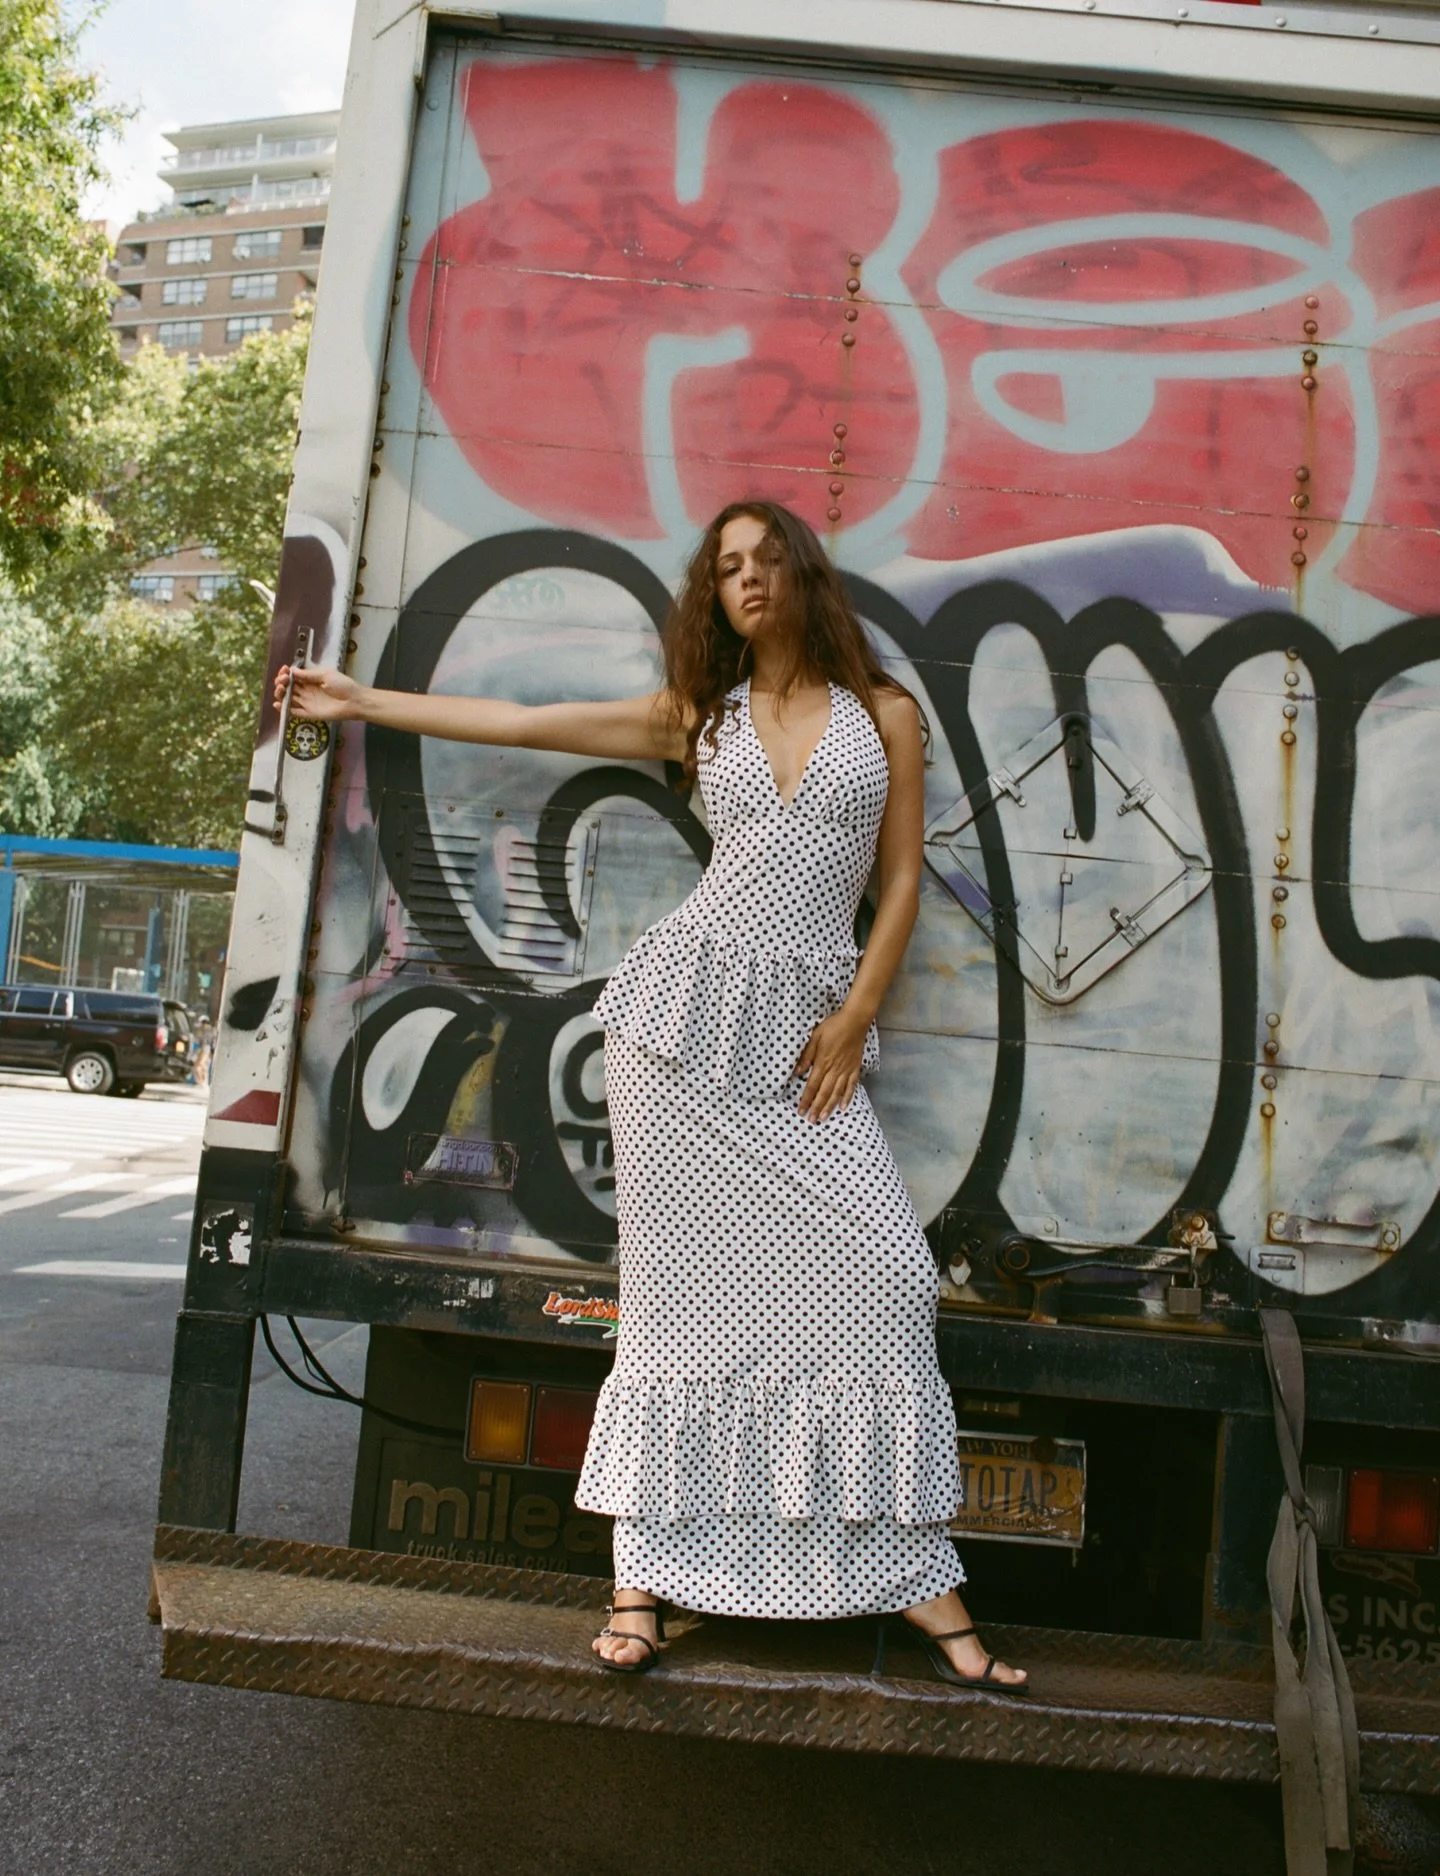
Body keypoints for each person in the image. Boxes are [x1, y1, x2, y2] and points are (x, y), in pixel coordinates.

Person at [278, 500, 1028, 1695]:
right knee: (676, 1314)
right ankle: (641, 1583)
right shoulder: (700, 716)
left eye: (766, 557)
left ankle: (910, 1573)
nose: (749, 578)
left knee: (886, 1278)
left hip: (804, 1040)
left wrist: (855, 1016)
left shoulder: (885, 713)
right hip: (677, 1033)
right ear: (714, 594)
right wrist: (364, 701)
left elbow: (898, 884)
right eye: (727, 566)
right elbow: (527, 723)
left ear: (803, 572)